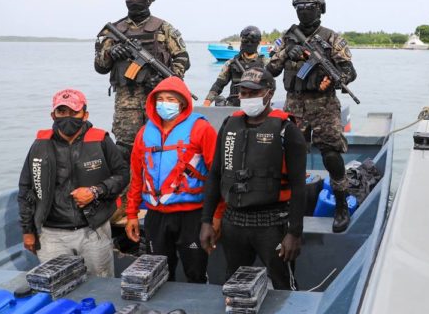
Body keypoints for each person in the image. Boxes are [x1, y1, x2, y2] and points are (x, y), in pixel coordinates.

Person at [200, 67, 307, 289]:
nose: (247, 98)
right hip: (233, 223)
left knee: (283, 282)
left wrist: (294, 233)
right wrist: (207, 220)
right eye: (244, 93)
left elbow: (298, 186)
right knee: (234, 281)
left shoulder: (287, 130)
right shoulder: (229, 126)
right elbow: (215, 175)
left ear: (269, 93)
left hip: (273, 222)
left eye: (254, 93)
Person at [267, 0, 357, 233]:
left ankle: (340, 204)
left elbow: (350, 70)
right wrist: (288, 52)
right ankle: (285, 207)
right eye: (301, 7)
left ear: (321, 9)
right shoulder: (286, 38)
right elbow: (270, 69)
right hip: (294, 104)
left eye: (311, 7)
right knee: (289, 157)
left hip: (324, 106)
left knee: (331, 156)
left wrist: (338, 78)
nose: (305, 12)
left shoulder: (332, 38)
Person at [17, 89, 128, 277]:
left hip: (93, 231)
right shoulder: (39, 145)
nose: (67, 118)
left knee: (100, 287)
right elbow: (26, 188)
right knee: (58, 288)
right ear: (53, 115)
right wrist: (28, 230)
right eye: (61, 112)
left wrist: (96, 191)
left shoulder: (101, 140)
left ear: (85, 114)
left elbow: (123, 175)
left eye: (74, 112)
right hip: (51, 234)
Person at [125, 76, 222, 283]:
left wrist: (217, 215)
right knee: (159, 274)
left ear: (183, 102)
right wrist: (132, 213)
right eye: (160, 98)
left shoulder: (201, 129)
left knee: (195, 272)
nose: (164, 103)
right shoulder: (144, 133)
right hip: (156, 217)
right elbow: (136, 177)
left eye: (170, 99)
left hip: (192, 217)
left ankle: (197, 311)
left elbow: (218, 175)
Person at [94, 0, 190, 157]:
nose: (135, 1)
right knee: (125, 149)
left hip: (158, 99)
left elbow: (183, 58)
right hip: (126, 102)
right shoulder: (114, 30)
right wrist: (111, 53)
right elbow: (100, 66)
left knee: (161, 144)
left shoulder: (164, 29)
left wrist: (166, 82)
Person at [204, 26, 266, 107]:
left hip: (255, 106)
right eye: (246, 41)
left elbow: (270, 86)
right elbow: (219, 84)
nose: (249, 44)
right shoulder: (231, 63)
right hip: (233, 105)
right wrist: (207, 101)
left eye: (252, 41)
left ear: (257, 43)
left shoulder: (265, 63)